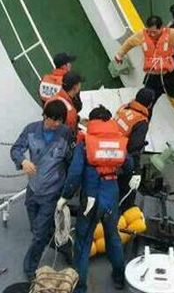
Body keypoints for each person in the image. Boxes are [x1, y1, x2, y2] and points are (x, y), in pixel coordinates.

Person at [56, 106, 136, 292]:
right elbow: (129, 164)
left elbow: (75, 173)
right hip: (111, 192)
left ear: (92, 121)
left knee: (83, 242)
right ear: (108, 121)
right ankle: (118, 277)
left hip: (91, 197)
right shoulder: (118, 141)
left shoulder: (86, 143)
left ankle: (80, 287)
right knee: (112, 236)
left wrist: (65, 196)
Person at [9, 100, 73, 281]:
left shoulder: (65, 134)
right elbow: (16, 149)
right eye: (55, 120)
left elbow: (71, 161)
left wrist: (68, 190)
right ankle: (65, 246)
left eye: (61, 120)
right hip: (33, 189)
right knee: (36, 228)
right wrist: (23, 161)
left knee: (39, 235)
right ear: (45, 116)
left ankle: (29, 269)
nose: (58, 124)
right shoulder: (30, 130)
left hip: (52, 192)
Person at [114, 15, 174, 109]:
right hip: (153, 77)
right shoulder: (142, 35)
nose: (151, 34)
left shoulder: (171, 34)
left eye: (154, 32)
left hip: (169, 75)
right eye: (149, 31)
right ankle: (142, 120)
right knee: (146, 104)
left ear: (161, 28)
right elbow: (129, 43)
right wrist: (120, 55)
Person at [115, 88, 155, 211]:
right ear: (149, 104)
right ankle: (125, 210)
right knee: (129, 185)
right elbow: (134, 149)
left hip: (110, 146)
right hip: (120, 157)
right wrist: (136, 172)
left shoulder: (124, 108)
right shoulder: (141, 122)